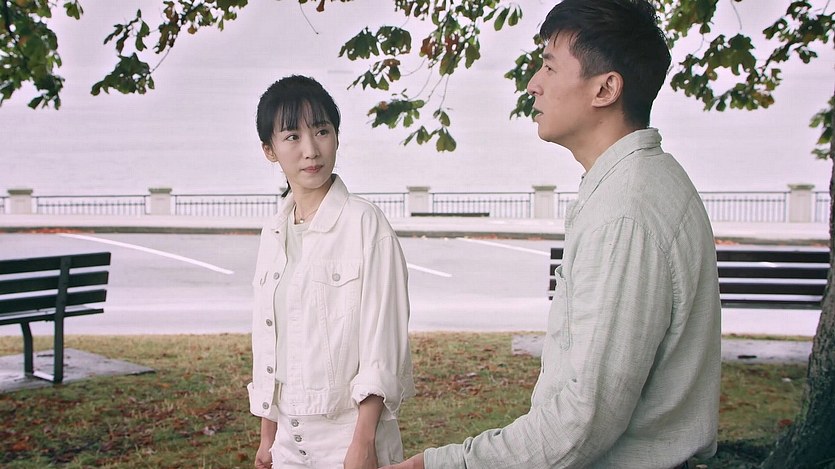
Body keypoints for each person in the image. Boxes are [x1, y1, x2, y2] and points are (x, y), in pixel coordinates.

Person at [383, 0, 721, 468]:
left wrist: (437, 465)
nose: (533, 84)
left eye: (549, 66)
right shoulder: (636, 183)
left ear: (605, 88)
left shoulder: (625, 213)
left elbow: (581, 424)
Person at [248, 75, 415, 469]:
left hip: (348, 439)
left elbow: (382, 345)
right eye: (292, 136)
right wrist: (268, 437)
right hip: (286, 444)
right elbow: (270, 341)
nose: (311, 150)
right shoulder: (273, 232)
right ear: (270, 150)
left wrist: (363, 443)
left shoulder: (365, 223)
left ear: (336, 137)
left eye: (321, 131)